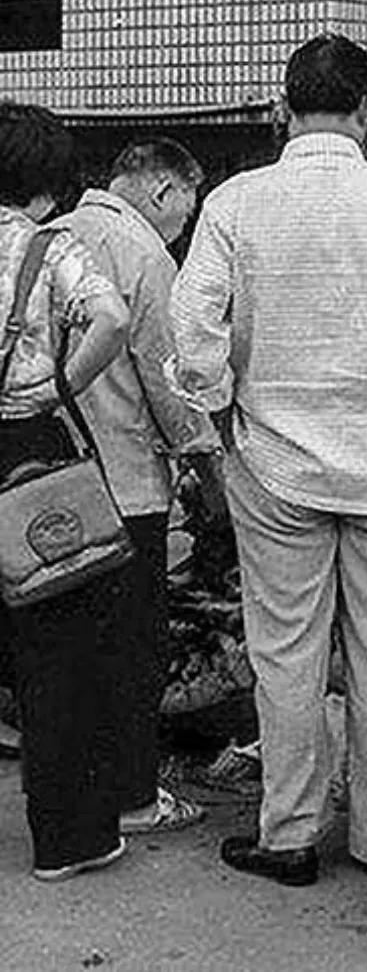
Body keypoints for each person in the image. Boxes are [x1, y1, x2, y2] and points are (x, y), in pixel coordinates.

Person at [170, 33, 367, 885]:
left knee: (286, 648)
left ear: (282, 106)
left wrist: (221, 402)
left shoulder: (237, 202)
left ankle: (289, 833)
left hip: (275, 464)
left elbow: (192, 332)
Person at [62, 137, 223, 836]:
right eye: (185, 213)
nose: (182, 228)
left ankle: (73, 786)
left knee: (69, 643)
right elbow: (168, 379)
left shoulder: (51, 238)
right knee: (134, 646)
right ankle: (133, 794)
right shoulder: (144, 255)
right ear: (164, 193)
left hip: (53, 482)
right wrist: (202, 456)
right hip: (127, 486)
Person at [0, 101, 131, 879]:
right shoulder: (51, 249)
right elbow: (110, 320)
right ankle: (70, 840)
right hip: (29, 452)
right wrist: (58, 386)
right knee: (58, 653)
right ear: (46, 184)